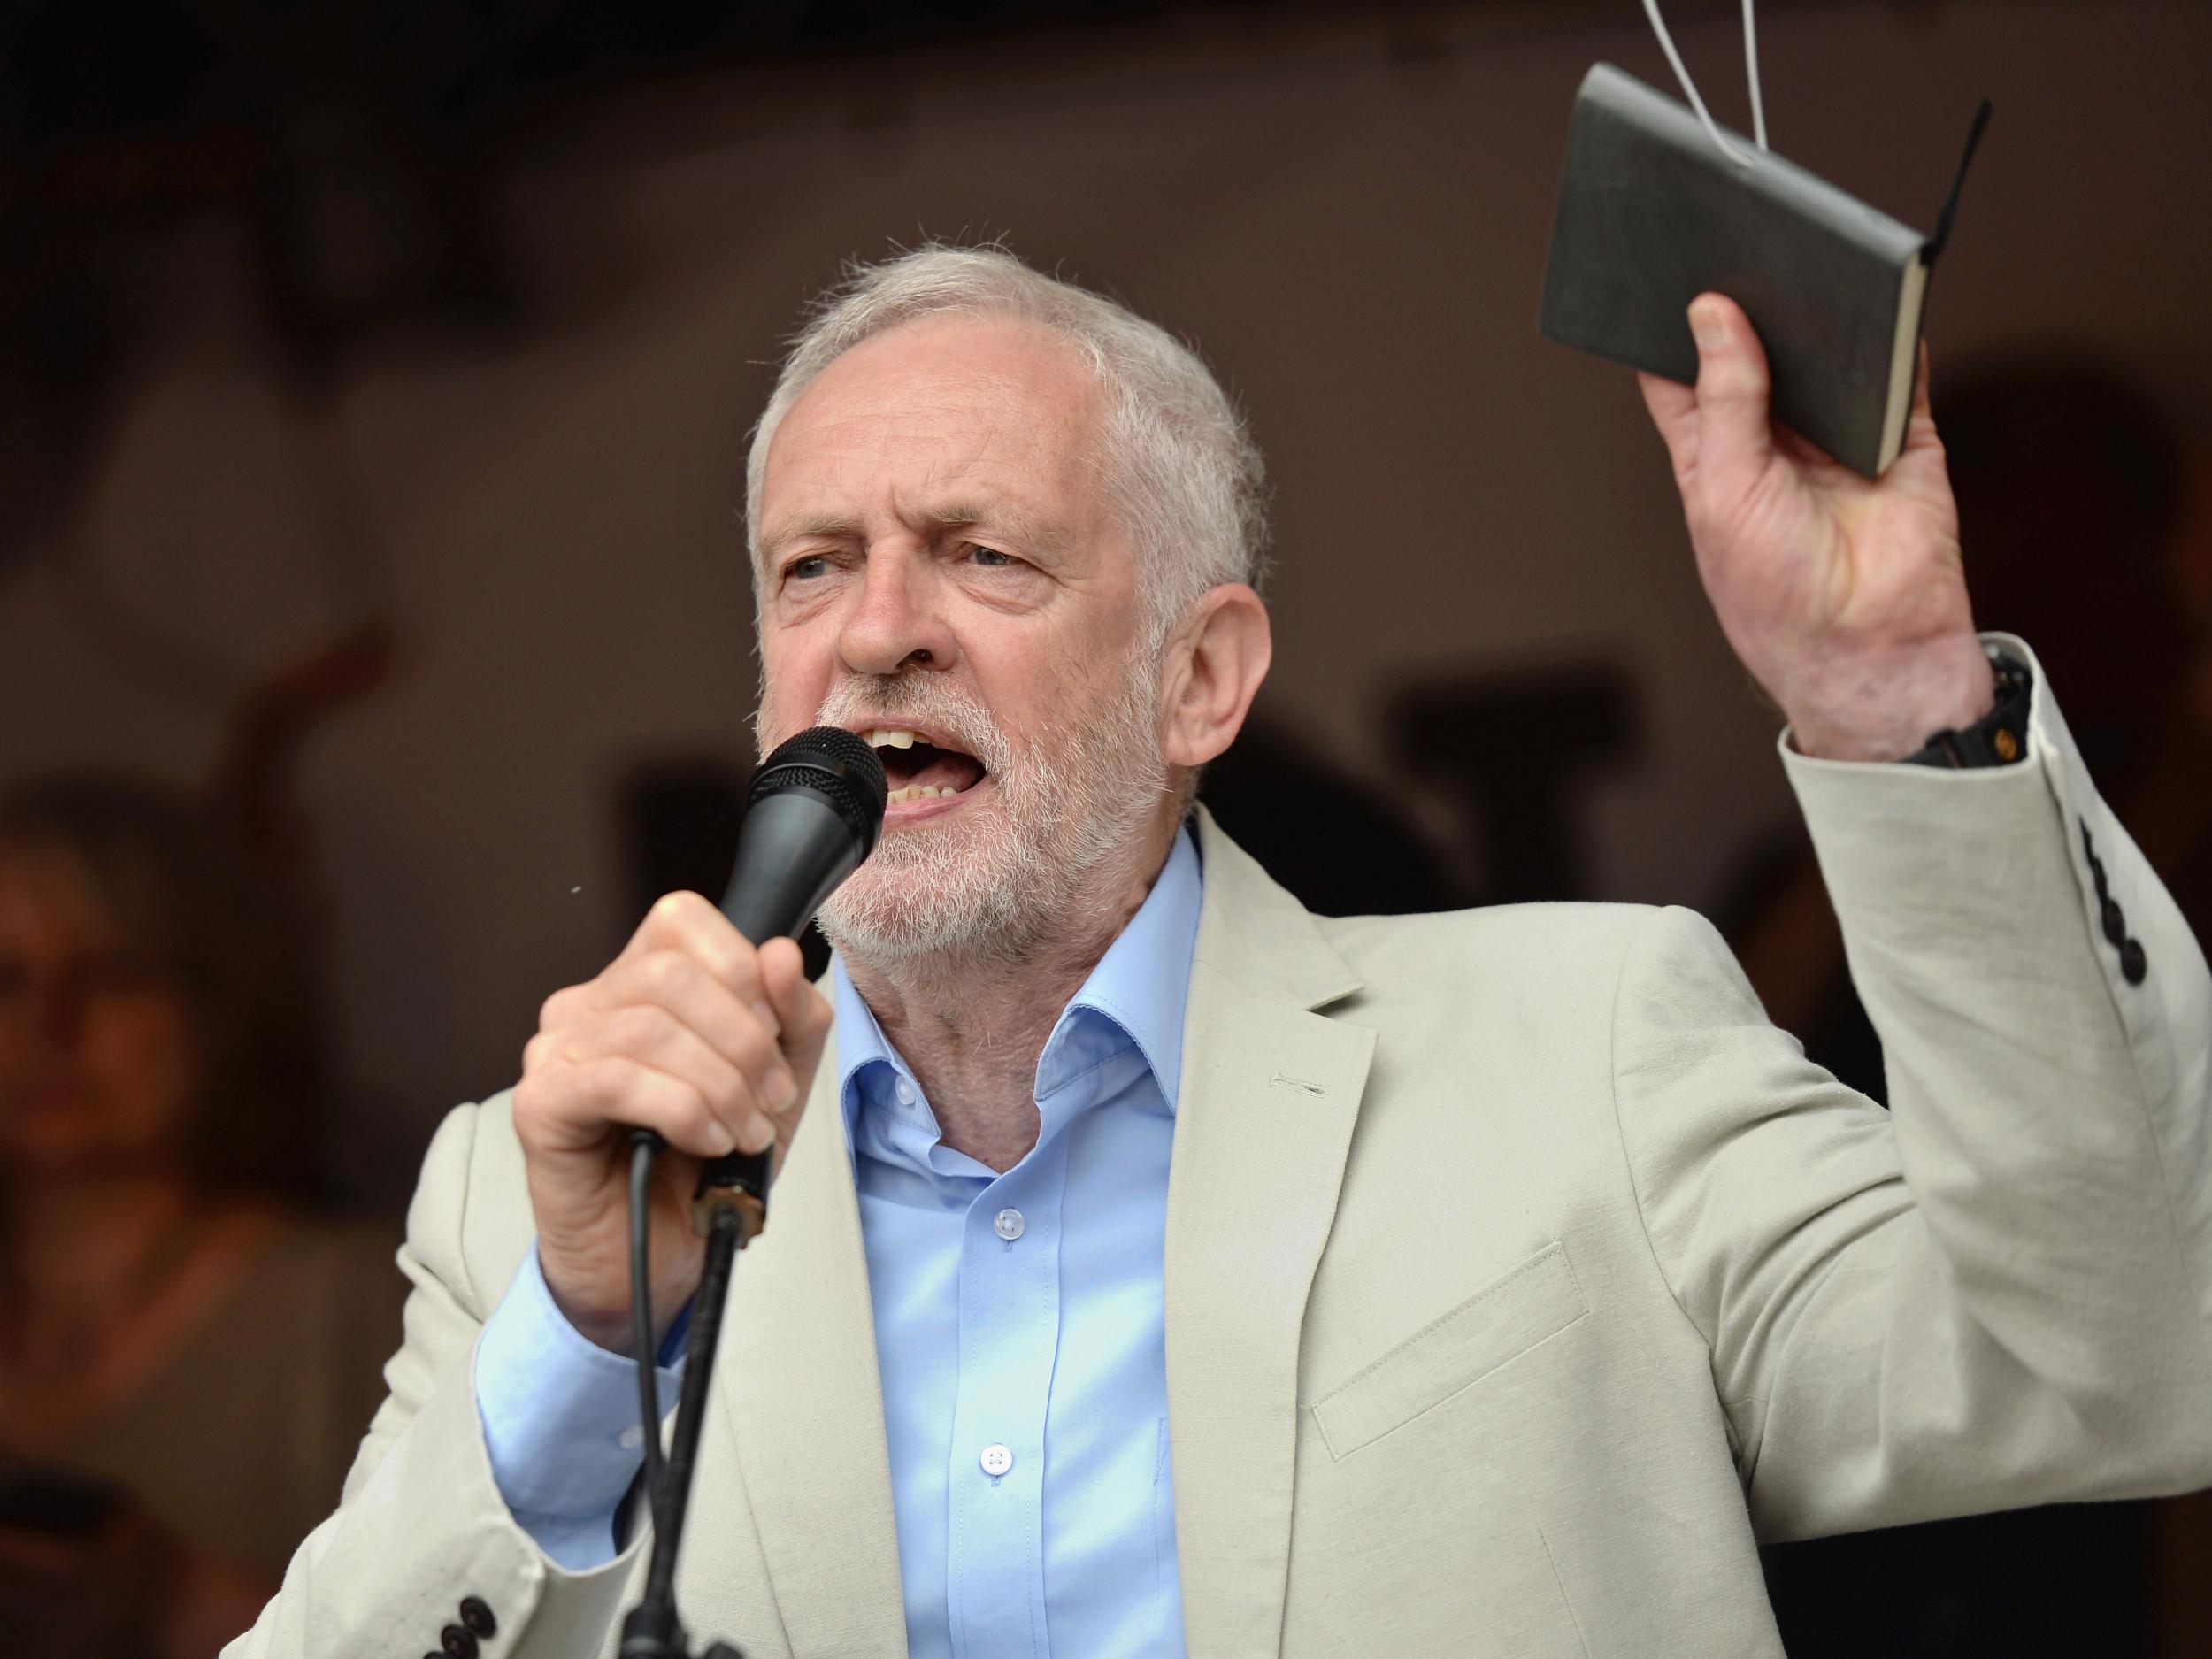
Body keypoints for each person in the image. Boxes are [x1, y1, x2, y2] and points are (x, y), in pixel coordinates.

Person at [228, 247, 2212, 1658]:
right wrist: (580, 1338)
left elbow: (2117, 1359)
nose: (878, 630)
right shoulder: (538, 1191)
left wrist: (1895, 701)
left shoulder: (1579, 1039)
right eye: (809, 568)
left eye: (981, 553)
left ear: (1202, 675)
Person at [0, 776, 404, 1658]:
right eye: (8, 980)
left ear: (212, 1003)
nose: (51, 1024)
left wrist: (178, 1604)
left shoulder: (359, 1299)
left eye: (112, 972)